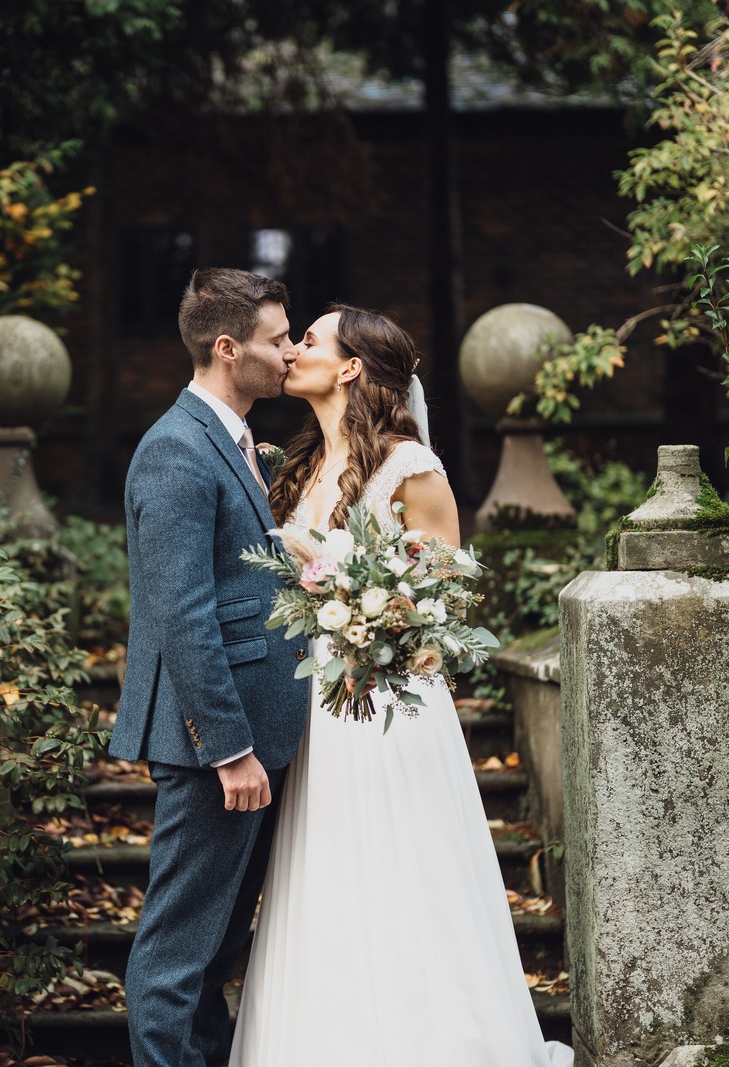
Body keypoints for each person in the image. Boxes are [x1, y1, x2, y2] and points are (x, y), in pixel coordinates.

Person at [230, 304, 567, 1067]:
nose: (292, 353)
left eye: (308, 340)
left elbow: (445, 598)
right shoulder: (295, 466)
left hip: (383, 712)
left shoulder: (412, 470)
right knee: (324, 886)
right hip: (311, 705)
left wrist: (374, 624)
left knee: (403, 883)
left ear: (350, 366)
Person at [110, 268, 312, 1067]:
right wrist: (229, 748)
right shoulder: (172, 451)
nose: (291, 351)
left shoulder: (229, 439)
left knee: (218, 943)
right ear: (229, 349)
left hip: (257, 735)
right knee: (176, 953)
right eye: (277, 338)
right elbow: (183, 615)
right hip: (214, 748)